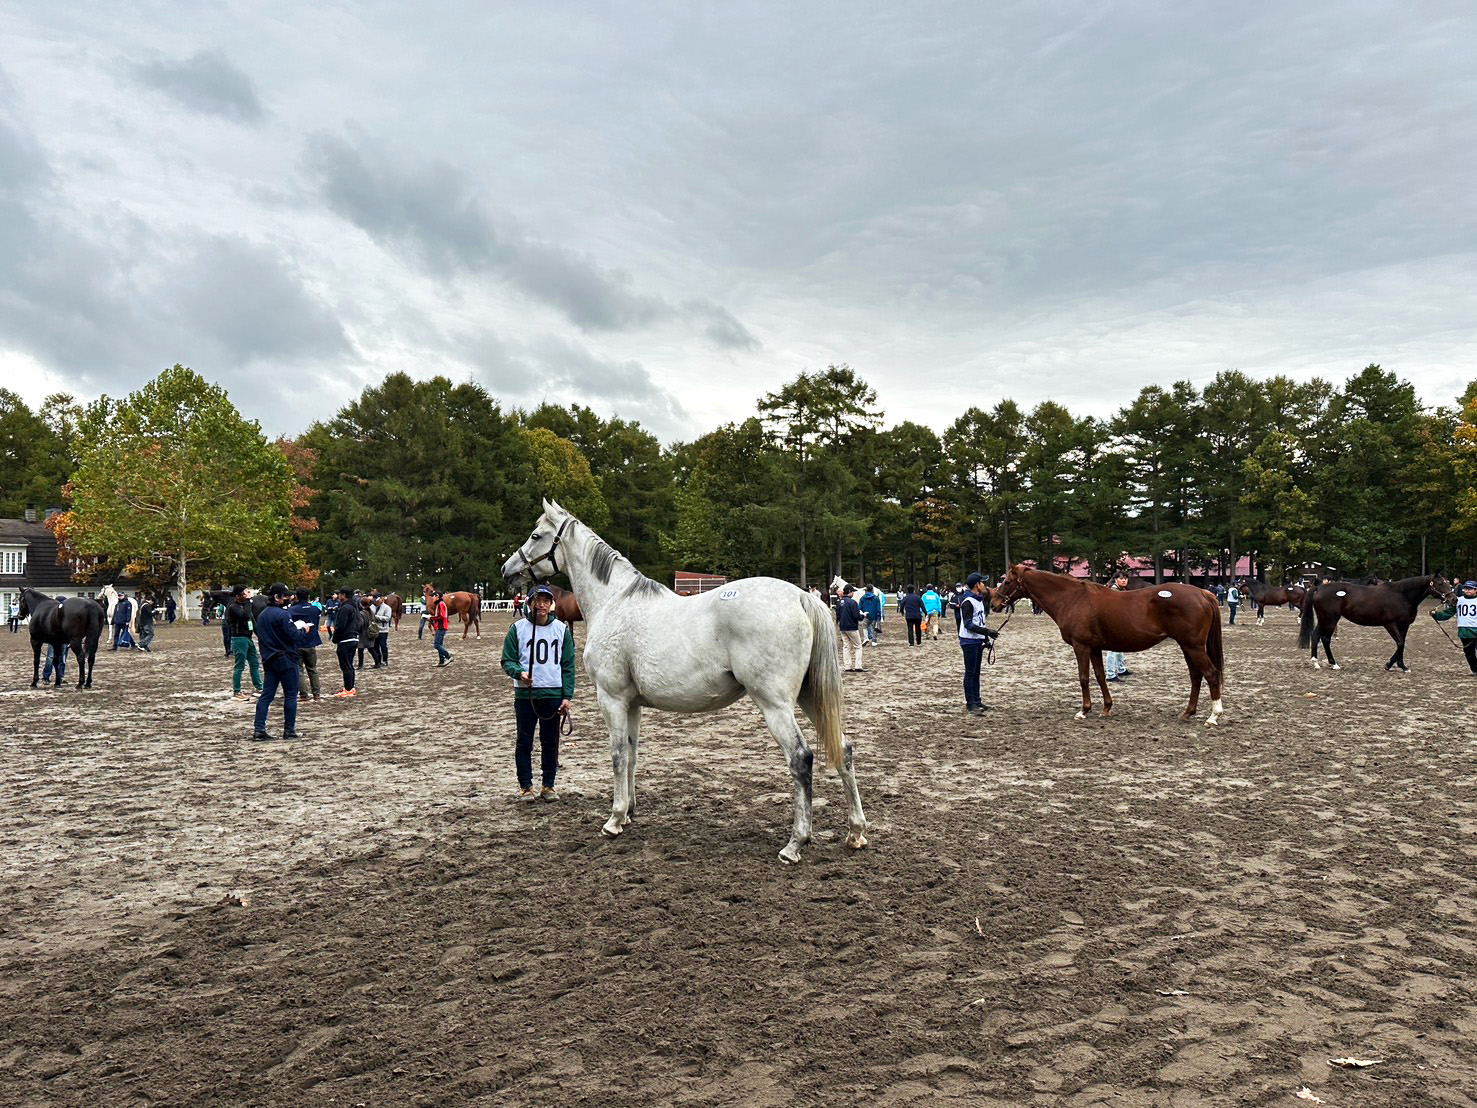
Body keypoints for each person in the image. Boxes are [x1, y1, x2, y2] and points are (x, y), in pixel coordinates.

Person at [502, 584, 575, 801]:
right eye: (537, 600)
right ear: (529, 603)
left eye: (545, 600)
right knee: (524, 741)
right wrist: (519, 673)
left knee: (550, 741)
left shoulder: (562, 630)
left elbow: (568, 665)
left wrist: (567, 695)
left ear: (550, 604)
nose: (541, 605)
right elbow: (507, 660)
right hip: (526, 696)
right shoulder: (517, 629)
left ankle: (549, 785)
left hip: (553, 695)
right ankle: (526, 786)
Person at [252, 583, 311, 741]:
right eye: (285, 596)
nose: (288, 598)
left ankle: (259, 729)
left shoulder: (262, 615)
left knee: (266, 695)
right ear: (276, 597)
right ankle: (289, 730)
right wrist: (303, 629)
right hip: (286, 657)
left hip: (269, 658)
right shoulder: (283, 615)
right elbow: (293, 636)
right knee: (291, 695)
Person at [958, 572, 998, 715]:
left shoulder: (978, 599)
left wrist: (985, 638)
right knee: (970, 673)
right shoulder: (968, 601)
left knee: (976, 673)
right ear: (977, 585)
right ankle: (971, 703)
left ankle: (977, 700)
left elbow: (980, 620)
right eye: (983, 583)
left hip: (977, 639)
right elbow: (968, 624)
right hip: (969, 640)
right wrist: (987, 632)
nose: (985, 586)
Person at [225, 586, 263, 700]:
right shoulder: (233, 607)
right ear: (237, 596)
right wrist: (249, 601)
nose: (247, 594)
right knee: (239, 666)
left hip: (248, 638)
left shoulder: (245, 606)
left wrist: (261, 637)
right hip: (239, 639)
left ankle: (259, 687)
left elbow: (252, 622)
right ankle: (236, 692)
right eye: (244, 593)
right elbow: (245, 616)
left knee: (254, 663)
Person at [1433, 579, 1477, 674]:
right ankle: (1475, 669)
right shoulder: (1459, 600)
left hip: (1475, 629)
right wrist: (1436, 615)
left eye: (1470, 589)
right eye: (1466, 588)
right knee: (1469, 653)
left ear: (1475, 590)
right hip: (1464, 631)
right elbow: (1448, 613)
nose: (1467, 590)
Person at [288, 586, 324, 702]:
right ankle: (316, 694)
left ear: (296, 596)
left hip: (297, 642)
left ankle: (303, 694)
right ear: (308, 596)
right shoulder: (315, 610)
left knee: (299, 670)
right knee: (312, 669)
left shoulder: (292, 610)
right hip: (311, 642)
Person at [329, 586, 359, 697]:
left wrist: (335, 638)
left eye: (340, 594)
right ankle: (350, 687)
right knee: (349, 665)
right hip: (354, 638)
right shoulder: (354, 607)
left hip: (346, 639)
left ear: (344, 595)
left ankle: (348, 689)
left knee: (346, 666)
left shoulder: (345, 608)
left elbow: (340, 625)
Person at [835, 584, 865, 671]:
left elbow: (838, 615)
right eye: (852, 592)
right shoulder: (853, 602)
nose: (853, 594)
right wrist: (863, 616)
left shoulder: (839, 602)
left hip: (843, 627)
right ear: (849, 592)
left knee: (846, 646)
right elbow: (856, 616)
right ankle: (858, 666)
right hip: (852, 627)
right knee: (858, 646)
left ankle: (847, 666)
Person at [1105, 574, 1129, 681]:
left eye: (1125, 579)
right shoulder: (1113, 592)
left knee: (1119, 647)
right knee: (1112, 649)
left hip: (1120, 622)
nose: (1124, 580)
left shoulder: (1121, 590)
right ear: (1115, 579)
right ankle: (1110, 674)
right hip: (1112, 622)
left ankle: (1121, 669)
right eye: (1121, 578)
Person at [429, 589, 454, 666]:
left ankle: (448, 656)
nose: (432, 598)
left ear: (437, 596)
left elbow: (442, 616)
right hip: (440, 626)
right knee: (439, 644)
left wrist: (432, 618)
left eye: (433, 596)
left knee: (437, 645)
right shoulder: (440, 604)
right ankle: (441, 661)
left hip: (441, 626)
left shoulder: (441, 604)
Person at [371, 595, 393, 668]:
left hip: (383, 630)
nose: (376, 602)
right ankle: (378, 661)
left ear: (381, 599)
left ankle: (385, 660)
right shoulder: (372, 607)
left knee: (383, 645)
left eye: (377, 600)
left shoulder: (387, 608)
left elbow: (387, 618)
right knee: (375, 646)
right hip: (374, 630)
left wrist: (377, 617)